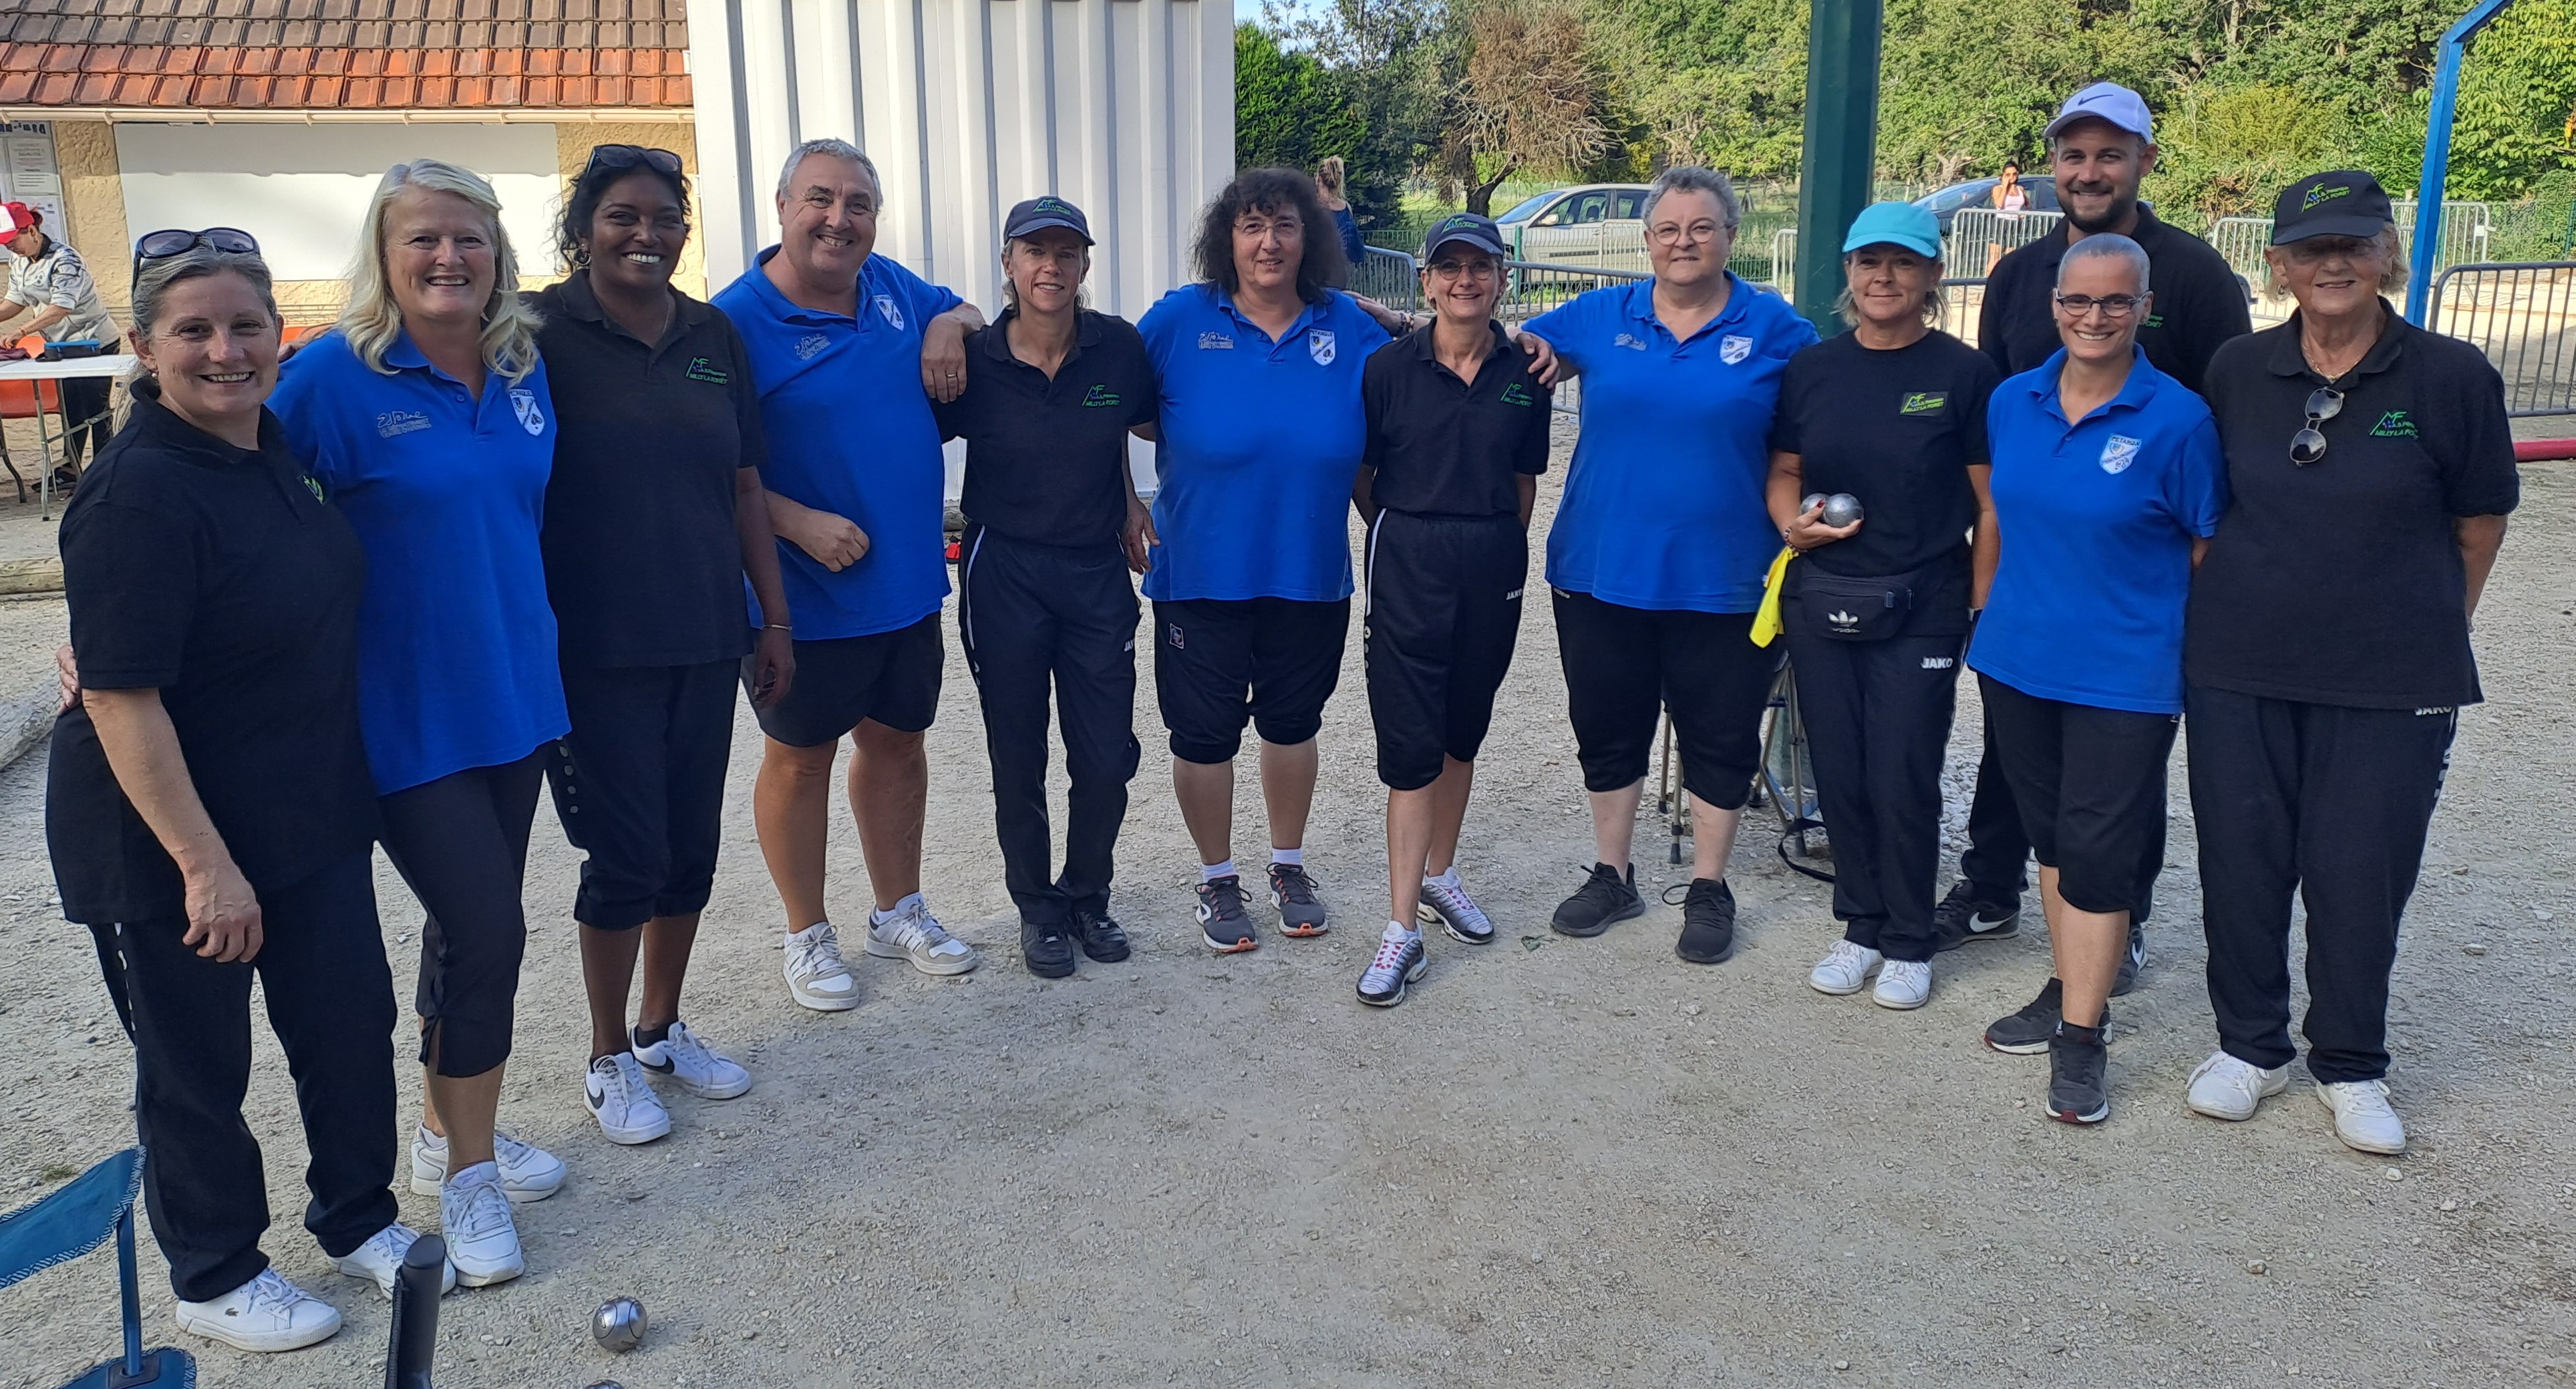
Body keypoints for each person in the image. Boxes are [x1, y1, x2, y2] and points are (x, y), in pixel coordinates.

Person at [48, 233, 451, 1355]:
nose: (225, 351)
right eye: (194, 330)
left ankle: (357, 1214)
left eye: (245, 326)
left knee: (345, 1024)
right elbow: (121, 697)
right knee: (198, 1064)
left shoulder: (272, 445)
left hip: (304, 810)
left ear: (281, 335)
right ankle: (215, 1269)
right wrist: (206, 866)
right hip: (168, 839)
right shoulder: (137, 492)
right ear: (143, 347)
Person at [266, 159, 571, 1283]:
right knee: (490, 929)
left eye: (469, 238)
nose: (449, 258)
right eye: (423, 240)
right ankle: (470, 1179)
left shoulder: (523, 365)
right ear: (383, 258)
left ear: (498, 253)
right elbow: (233, 498)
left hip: (515, 694)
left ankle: (448, 1127)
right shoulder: (330, 379)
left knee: (463, 929)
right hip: (402, 711)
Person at [2181, 172, 2517, 1154]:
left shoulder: (2452, 375)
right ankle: (2249, 1044)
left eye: (2353, 244)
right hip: (2240, 664)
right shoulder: (2236, 369)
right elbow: (2208, 513)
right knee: (2240, 861)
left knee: (2361, 872)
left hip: (2390, 675)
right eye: (2311, 248)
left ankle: (2350, 1060)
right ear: (2278, 265)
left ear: (2386, 255)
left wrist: (2424, 628)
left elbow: (2479, 524)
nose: (2333, 263)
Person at [1953, 80, 2254, 1032]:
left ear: (2143, 162)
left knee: (2111, 800)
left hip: (2131, 588)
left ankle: (2115, 934)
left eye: (2109, 154)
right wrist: (1988, 598)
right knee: (2030, 777)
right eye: (2073, 154)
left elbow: (2227, 427)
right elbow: (2000, 438)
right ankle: (1999, 891)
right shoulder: (2016, 276)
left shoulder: (2196, 275)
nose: (2089, 171)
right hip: (2032, 605)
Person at [532, 145, 796, 1144]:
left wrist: (773, 618)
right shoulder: (534, 331)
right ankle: (605, 1055)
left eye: (665, 219)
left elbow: (744, 484)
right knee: (625, 854)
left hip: (703, 633)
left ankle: (659, 1029)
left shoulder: (710, 333)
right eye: (622, 217)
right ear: (584, 229)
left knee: (690, 848)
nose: (647, 235)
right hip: (592, 647)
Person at [1516, 166, 1819, 963]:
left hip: (1726, 577)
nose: (1684, 242)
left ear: (1731, 237)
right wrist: (1386, 319)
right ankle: (1612, 873)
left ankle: (1710, 886)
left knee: (1719, 734)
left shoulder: (1778, 329)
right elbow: (1491, 344)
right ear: (1647, 240)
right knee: (1607, 727)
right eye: (1668, 230)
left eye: (1701, 228)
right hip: (1600, 567)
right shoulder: (1599, 315)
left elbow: (1829, 420)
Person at [713, 138, 989, 1004]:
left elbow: (972, 309)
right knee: (800, 760)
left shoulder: (893, 288)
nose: (839, 220)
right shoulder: (733, 324)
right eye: (820, 200)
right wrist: (793, 521)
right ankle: (807, 932)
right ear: (782, 207)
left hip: (905, 584)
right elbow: (700, 462)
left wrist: (949, 323)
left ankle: (897, 909)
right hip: (801, 600)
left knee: (898, 744)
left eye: (858, 204)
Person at [1967, 233, 2226, 1124]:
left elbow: (2207, 544)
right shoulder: (2014, 399)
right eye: (2078, 299)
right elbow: (1999, 512)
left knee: (2098, 850)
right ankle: (2069, 982)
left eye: (2116, 300)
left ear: (2143, 308)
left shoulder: (2180, 420)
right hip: (2017, 661)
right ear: (2054, 305)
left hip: (2124, 674)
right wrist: (1985, 611)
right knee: (2052, 842)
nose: (2095, 316)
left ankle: (2081, 1037)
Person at [1135, 168, 1393, 953]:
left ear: (1310, 238)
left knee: (1291, 724)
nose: (1269, 242)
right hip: (1198, 573)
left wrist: (1401, 316)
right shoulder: (1178, 320)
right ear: (1227, 240)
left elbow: (1428, 376)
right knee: (1203, 735)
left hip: (1308, 573)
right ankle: (1216, 877)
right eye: (1251, 226)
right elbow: (1103, 401)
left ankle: (1288, 865)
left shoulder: (1348, 325)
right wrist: (1120, 501)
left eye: (1285, 226)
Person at [1767, 203, 1999, 1011]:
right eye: (1869, 262)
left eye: (1903, 263)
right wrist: (1791, 527)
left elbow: (1989, 505)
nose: (1884, 277)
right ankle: (1859, 926)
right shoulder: (1813, 368)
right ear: (1849, 272)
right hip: (1824, 594)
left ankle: (1907, 939)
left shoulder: (1964, 374)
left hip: (1924, 601)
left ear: (1933, 274)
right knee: (1838, 768)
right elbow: (1784, 471)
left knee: (1902, 771)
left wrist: (1978, 607)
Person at [933, 196, 1156, 979]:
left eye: (1066, 252)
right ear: (1009, 263)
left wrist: (1126, 500)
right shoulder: (974, 358)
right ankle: (1037, 908)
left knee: (1104, 755)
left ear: (1086, 263)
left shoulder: (1117, 347)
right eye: (1035, 252)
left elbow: (1120, 430)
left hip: (1094, 571)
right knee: (1017, 750)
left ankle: (1088, 895)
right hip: (1005, 570)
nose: (1051, 266)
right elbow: (904, 438)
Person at [1349, 212, 1553, 1007]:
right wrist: (1406, 534)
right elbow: (1364, 473)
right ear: (1427, 281)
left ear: (1502, 279)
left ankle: (1441, 874)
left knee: (1462, 730)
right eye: (1449, 268)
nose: (1465, 280)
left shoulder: (1526, 371)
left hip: (1492, 560)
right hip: (1408, 558)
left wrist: (1491, 546)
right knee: (1410, 747)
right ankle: (1401, 929)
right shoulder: (1386, 369)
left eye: (1480, 267)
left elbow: (1524, 482)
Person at [2, 200, 122, 479]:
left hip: (94, 342)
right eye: (5, 244)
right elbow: (15, 301)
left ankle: (106, 472)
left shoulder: (65, 259)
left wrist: (21, 332)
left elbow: (61, 307)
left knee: (96, 411)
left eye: (13, 240)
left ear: (32, 231)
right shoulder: (18, 261)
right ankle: (71, 468)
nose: (10, 247)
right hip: (60, 346)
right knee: (72, 411)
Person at [1317, 156, 1366, 286]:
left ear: (1319, 179)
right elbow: (1354, 248)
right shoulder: (1346, 208)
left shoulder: (1312, 206)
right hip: (1340, 272)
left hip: (1315, 273)